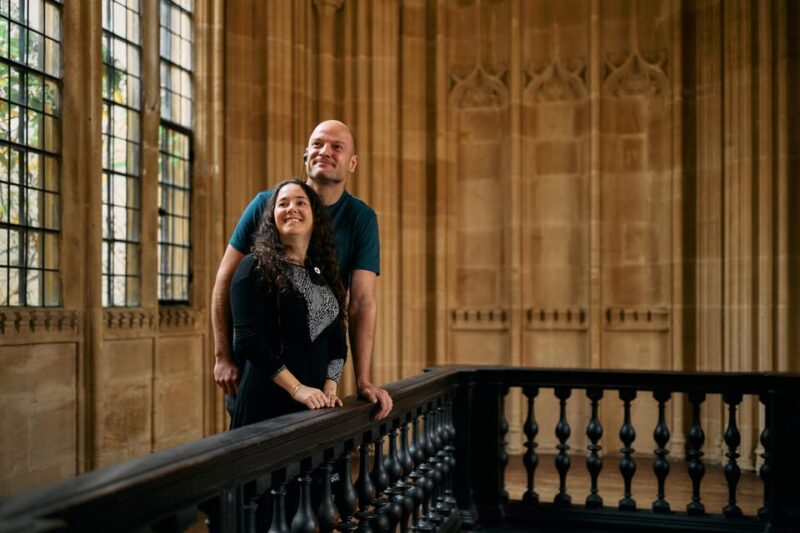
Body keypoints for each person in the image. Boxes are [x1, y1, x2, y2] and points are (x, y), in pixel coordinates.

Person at [213, 120, 393, 420]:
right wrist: (223, 356)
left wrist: (360, 380)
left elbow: (361, 302)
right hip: (260, 376)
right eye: (318, 144)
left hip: (313, 383)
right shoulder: (265, 204)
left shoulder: (359, 219)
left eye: (337, 147)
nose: (325, 151)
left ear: (352, 163)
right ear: (305, 155)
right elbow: (226, 280)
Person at [230, 179, 346, 427]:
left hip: (313, 409)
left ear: (314, 216)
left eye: (300, 202)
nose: (291, 208)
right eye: (283, 204)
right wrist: (296, 388)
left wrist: (330, 386)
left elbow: (337, 342)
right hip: (266, 411)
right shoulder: (253, 266)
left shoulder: (322, 273)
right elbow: (248, 340)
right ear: (273, 218)